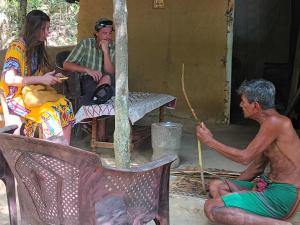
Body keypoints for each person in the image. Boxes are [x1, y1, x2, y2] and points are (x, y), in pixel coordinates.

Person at [196, 79, 300, 225]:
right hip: (269, 187)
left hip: (282, 196)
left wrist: (210, 142)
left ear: (255, 106)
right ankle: (245, 212)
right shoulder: (269, 125)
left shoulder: (276, 122)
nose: (240, 105)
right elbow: (256, 167)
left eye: (243, 101)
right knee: (216, 186)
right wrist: (236, 193)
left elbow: (245, 158)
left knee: (211, 207)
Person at [0, 10, 74, 145]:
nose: (47, 32)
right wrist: (41, 80)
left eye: (48, 28)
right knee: (49, 114)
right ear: (33, 29)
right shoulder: (16, 48)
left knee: (66, 105)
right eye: (43, 29)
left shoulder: (35, 48)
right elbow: (9, 79)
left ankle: (64, 152)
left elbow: (37, 76)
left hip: (30, 94)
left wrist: (51, 77)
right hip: (15, 98)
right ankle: (51, 155)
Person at [63, 18, 115, 141]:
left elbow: (110, 72)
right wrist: (87, 70)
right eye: (104, 33)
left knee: (108, 83)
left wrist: (106, 52)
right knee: (106, 93)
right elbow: (66, 64)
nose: (107, 37)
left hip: (104, 84)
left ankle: (88, 116)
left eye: (110, 33)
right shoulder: (86, 44)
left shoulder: (112, 47)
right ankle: (98, 125)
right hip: (86, 81)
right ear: (96, 33)